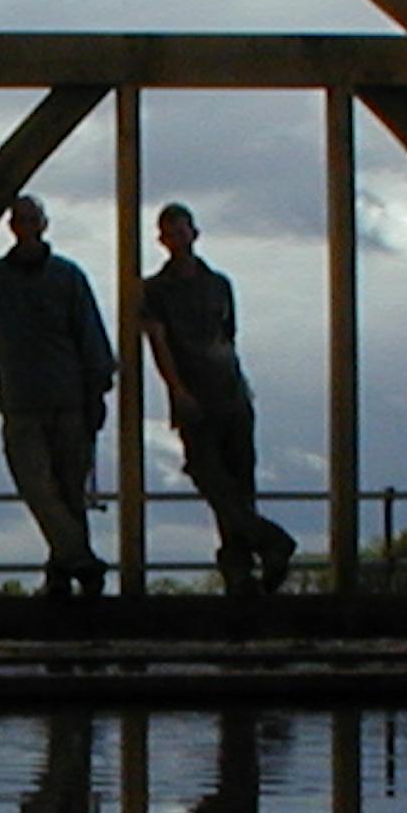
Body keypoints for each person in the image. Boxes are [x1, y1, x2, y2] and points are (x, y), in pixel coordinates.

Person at [0, 192, 114, 598]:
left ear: (43, 223)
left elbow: (89, 333)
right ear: (11, 226)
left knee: (69, 492)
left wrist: (97, 390)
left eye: (31, 217)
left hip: (68, 397)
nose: (25, 225)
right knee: (37, 487)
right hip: (21, 400)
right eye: (19, 218)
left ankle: (63, 573)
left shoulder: (67, 276)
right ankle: (79, 560)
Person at [143, 201, 298, 596]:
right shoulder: (156, 290)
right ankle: (266, 543)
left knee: (238, 484)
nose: (177, 240)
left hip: (230, 392)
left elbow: (228, 336)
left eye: (182, 231)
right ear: (162, 239)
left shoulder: (218, 284)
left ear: (194, 233)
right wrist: (178, 391)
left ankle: (239, 570)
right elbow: (159, 344)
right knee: (210, 476)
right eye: (170, 233)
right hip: (195, 396)